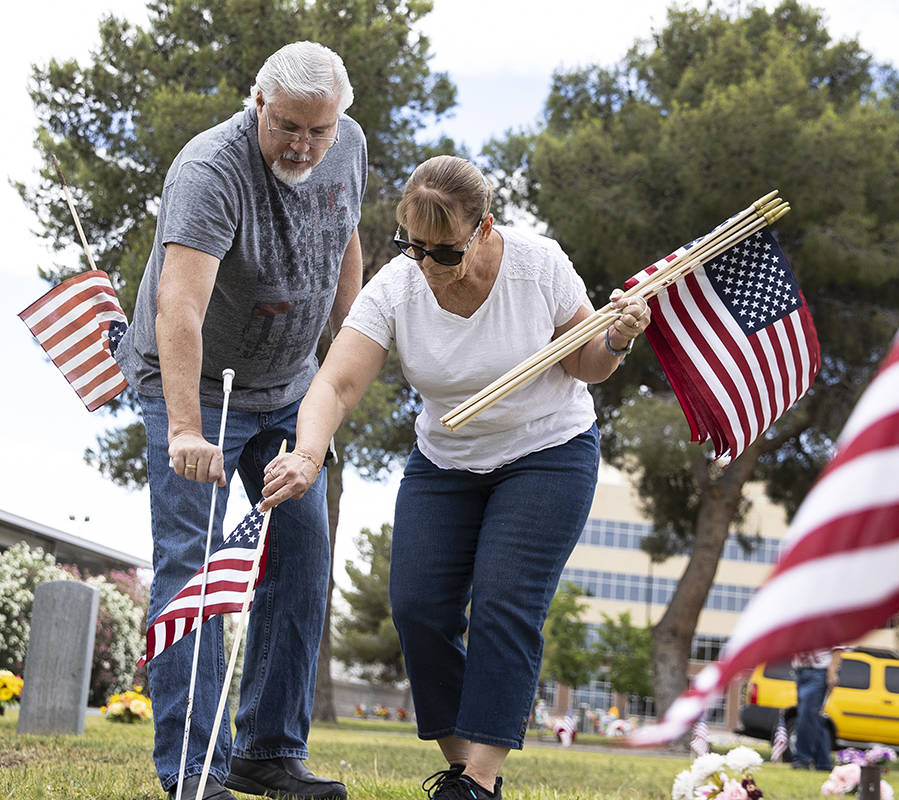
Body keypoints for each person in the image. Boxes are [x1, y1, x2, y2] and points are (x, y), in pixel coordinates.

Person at [260, 155, 651, 800]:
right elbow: (337, 380)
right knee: (417, 607)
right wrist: (307, 453)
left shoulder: (537, 264)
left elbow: (586, 362)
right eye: (411, 246)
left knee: (503, 601)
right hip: (445, 458)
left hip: (547, 450)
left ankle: (477, 781)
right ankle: (461, 764)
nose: (425, 265)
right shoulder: (398, 286)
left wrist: (616, 339)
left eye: (443, 252)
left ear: (485, 229)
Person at [115, 41, 367, 800]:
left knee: (302, 558)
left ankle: (269, 751)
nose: (304, 146)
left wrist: (340, 358)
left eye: (318, 131)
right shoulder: (208, 170)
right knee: (191, 567)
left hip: (289, 386)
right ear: (258, 102)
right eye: (289, 125)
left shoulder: (346, 144)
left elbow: (346, 241)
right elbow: (179, 308)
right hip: (193, 386)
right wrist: (189, 430)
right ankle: (193, 770)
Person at [790, 649, 840, 771]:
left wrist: (832, 671)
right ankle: (824, 763)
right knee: (813, 718)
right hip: (801, 670)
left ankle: (802, 759)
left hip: (819, 671)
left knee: (807, 715)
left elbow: (839, 646)